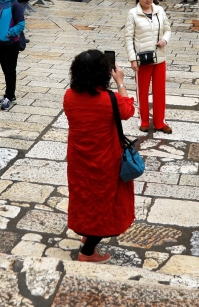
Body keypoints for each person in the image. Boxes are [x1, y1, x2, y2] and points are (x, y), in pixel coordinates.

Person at [63, 50, 135, 263]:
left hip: (78, 160)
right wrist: (120, 82)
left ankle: (87, 232)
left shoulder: (69, 96)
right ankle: (88, 251)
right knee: (106, 204)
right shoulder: (110, 100)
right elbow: (128, 111)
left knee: (85, 198)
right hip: (105, 162)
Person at [125, 0, 172, 134]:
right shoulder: (133, 14)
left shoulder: (159, 11)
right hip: (143, 58)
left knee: (160, 91)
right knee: (142, 90)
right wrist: (133, 59)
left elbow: (167, 29)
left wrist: (164, 40)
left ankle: (160, 122)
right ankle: (143, 120)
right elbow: (128, 38)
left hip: (159, 57)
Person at [0, 0, 26, 111]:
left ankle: (9, 96)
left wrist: (10, 33)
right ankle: (10, 95)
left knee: (10, 70)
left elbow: (21, 24)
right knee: (6, 70)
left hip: (11, 43)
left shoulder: (15, 5)